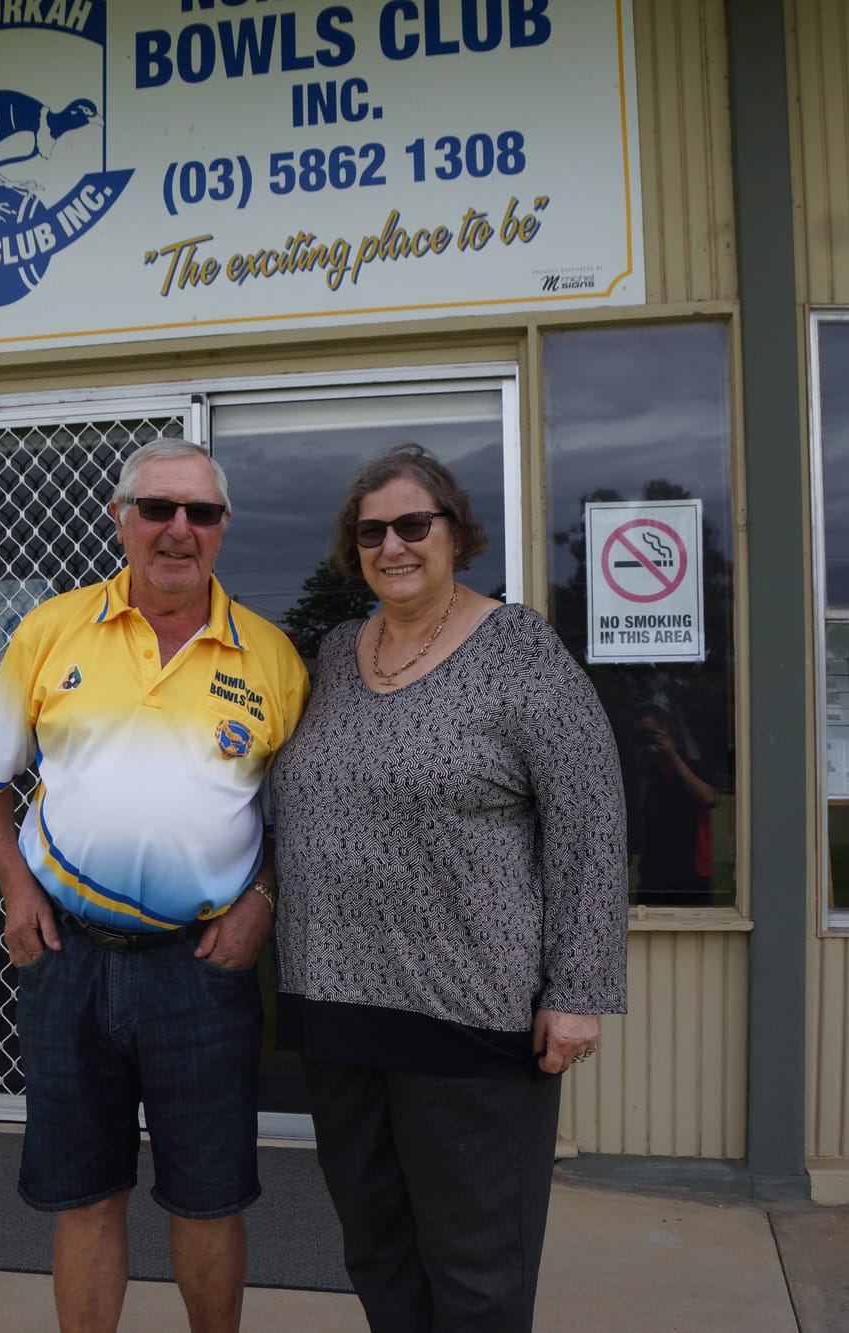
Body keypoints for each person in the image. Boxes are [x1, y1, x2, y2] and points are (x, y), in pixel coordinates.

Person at [268, 443, 628, 1332]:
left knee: (476, 1273)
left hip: (468, 1014)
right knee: (378, 1252)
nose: (393, 544)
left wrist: (577, 992)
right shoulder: (334, 655)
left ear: (454, 533)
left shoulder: (517, 647)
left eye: (413, 524)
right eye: (371, 531)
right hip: (338, 1007)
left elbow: (592, 822)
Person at [0, 437, 308, 1333]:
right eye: (158, 508)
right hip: (65, 957)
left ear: (223, 531)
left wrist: (261, 902)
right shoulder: (48, 632)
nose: (178, 529)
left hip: (202, 969)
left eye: (201, 512)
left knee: (208, 1199)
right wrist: (16, 888)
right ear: (120, 520)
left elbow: (297, 816)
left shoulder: (273, 659)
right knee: (86, 1195)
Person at [628, 701, 721, 906]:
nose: (645, 742)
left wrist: (671, 755)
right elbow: (636, 825)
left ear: (668, 733)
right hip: (652, 877)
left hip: (692, 876)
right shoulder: (643, 777)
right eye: (639, 737)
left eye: (650, 734)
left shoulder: (694, 768)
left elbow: (709, 798)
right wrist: (642, 770)